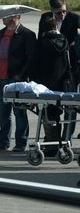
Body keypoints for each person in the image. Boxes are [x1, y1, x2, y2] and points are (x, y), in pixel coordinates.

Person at [0, 14, 36, 152]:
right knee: (3, 112)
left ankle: (21, 143)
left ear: (16, 16)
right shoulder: (1, 32)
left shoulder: (27, 34)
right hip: (0, 78)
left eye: (7, 14)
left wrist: (20, 75)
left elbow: (30, 58)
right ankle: (3, 142)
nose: (3, 17)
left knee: (19, 111)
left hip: (16, 79)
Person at [38, 0, 80, 139]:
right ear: (51, 11)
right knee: (51, 107)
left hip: (70, 71)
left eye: (64, 11)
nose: (62, 15)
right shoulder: (45, 19)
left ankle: (66, 137)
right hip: (52, 71)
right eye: (58, 13)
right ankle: (52, 139)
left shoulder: (74, 19)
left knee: (70, 106)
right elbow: (41, 40)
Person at [34, 17, 72, 154]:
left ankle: (51, 144)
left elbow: (36, 64)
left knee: (46, 115)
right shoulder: (65, 41)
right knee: (57, 114)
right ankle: (58, 142)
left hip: (45, 85)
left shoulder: (42, 43)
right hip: (61, 84)